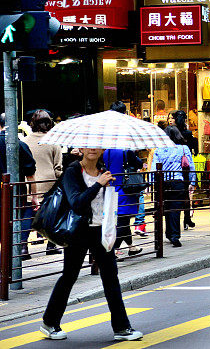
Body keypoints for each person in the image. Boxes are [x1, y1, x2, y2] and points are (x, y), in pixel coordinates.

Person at [40, 148, 143, 341]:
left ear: (103, 148)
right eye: (88, 144)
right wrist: (98, 184)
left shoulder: (103, 169)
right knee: (69, 276)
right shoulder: (72, 171)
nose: (93, 148)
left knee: (111, 277)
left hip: (100, 231)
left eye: (97, 144)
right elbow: (76, 202)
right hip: (78, 232)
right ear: (81, 147)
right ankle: (49, 322)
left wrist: (106, 186)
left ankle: (122, 327)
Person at [104, 103, 144, 259]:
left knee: (122, 220)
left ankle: (131, 247)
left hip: (111, 187)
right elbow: (137, 163)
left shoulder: (105, 149)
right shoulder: (125, 148)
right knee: (122, 221)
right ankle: (111, 250)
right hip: (124, 189)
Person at [26, 109, 63, 256]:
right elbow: (58, 168)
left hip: (30, 184)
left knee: (27, 215)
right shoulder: (54, 141)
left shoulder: (25, 141)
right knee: (52, 214)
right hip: (49, 183)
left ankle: (22, 247)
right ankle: (51, 245)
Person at [0, 113, 37, 260]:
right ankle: (11, 261)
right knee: (13, 226)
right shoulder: (20, 145)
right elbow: (31, 175)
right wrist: (34, 197)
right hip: (15, 195)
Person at [152, 126, 196, 247]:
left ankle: (168, 233)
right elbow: (191, 166)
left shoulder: (159, 150)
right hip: (178, 181)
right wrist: (192, 182)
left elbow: (154, 168)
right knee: (175, 209)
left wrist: (151, 184)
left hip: (163, 183)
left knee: (166, 207)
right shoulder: (183, 148)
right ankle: (175, 235)